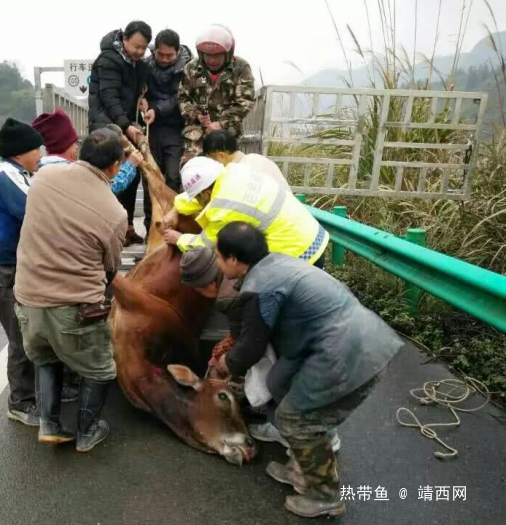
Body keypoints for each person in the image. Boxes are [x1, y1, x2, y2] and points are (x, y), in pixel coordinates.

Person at [212, 222, 403, 519]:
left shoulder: (257, 288)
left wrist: (225, 364)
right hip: (363, 340)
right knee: (287, 396)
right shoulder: (280, 262)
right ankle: (303, 472)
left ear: (234, 259)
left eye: (219, 257)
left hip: (346, 355)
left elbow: (251, 347)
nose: (218, 263)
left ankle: (325, 496)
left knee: (296, 419)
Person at [14, 128, 127, 452]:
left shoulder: (43, 179)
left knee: (46, 358)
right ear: (116, 165)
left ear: (79, 153)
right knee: (101, 368)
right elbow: (110, 268)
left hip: (28, 300)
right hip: (74, 309)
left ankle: (49, 423)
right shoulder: (114, 212)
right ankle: (87, 430)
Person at [178, 247, 342, 452]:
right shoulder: (241, 269)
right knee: (277, 379)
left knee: (281, 381)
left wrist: (227, 362)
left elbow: (249, 344)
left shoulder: (229, 297)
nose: (200, 296)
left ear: (208, 283)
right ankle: (282, 428)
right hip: (322, 317)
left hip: (316, 335)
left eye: (199, 290)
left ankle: (323, 440)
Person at [0, 118, 44, 426]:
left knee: (28, 330)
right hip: (3, 269)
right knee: (19, 334)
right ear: (21, 152)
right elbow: (35, 211)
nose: (41, 154)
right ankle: (19, 402)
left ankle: (31, 393)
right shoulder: (7, 176)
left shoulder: (20, 173)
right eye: (37, 148)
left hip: (14, 266)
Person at [162, 156, 329, 269]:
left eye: (197, 198)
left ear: (206, 193)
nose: (196, 202)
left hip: (299, 254)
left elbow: (208, 244)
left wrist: (179, 239)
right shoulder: (234, 171)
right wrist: (176, 209)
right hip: (313, 234)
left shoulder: (223, 209)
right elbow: (203, 197)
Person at [89, 20, 152, 246]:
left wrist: (143, 99)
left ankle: (127, 228)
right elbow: (109, 97)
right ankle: (106, 231)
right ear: (124, 39)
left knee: (130, 174)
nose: (139, 51)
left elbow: (137, 92)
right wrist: (126, 125)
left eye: (144, 48)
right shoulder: (108, 60)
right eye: (136, 46)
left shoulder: (138, 64)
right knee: (110, 176)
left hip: (124, 124)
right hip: (106, 127)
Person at [178, 24, 255, 164]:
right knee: (193, 172)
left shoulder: (241, 67)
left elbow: (245, 101)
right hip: (196, 134)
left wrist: (222, 123)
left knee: (227, 173)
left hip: (226, 134)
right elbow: (182, 99)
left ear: (227, 53)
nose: (212, 60)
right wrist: (196, 114)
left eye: (217, 56)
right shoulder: (191, 68)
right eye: (208, 55)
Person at [140, 29, 192, 234]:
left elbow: (181, 97)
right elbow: (140, 88)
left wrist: (157, 109)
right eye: (160, 54)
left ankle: (172, 226)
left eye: (169, 55)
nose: (164, 59)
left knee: (173, 176)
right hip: (151, 128)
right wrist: (141, 99)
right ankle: (151, 229)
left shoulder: (189, 68)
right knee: (151, 179)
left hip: (175, 128)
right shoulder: (145, 64)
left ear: (178, 52)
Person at [31, 108, 144, 195]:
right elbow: (107, 188)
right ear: (65, 145)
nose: (76, 147)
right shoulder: (70, 173)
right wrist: (130, 165)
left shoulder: (41, 169)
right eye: (74, 142)